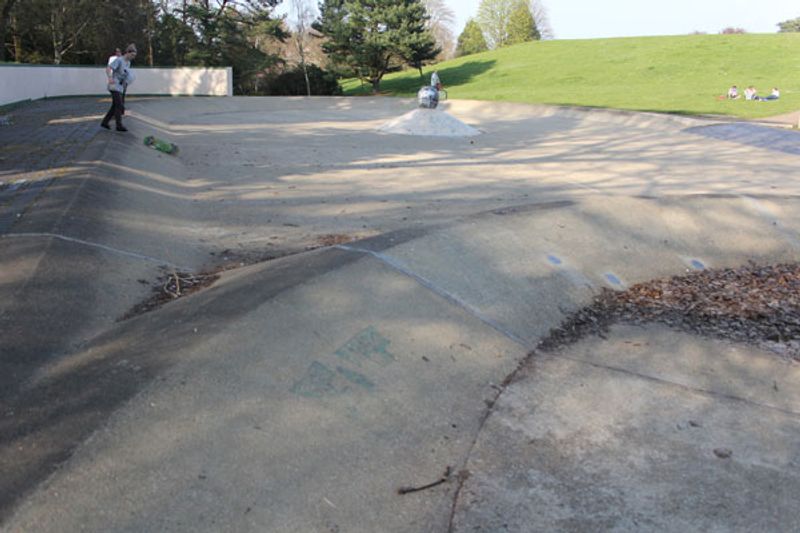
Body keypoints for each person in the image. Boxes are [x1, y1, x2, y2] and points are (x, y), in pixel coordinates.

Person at [101, 44, 136, 132]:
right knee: (119, 105)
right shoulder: (119, 60)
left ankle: (105, 122)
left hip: (120, 86)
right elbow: (109, 68)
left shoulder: (128, 62)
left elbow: (126, 73)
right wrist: (110, 78)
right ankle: (119, 125)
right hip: (114, 85)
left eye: (134, 56)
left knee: (115, 106)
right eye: (132, 55)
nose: (133, 57)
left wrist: (127, 81)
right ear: (127, 52)